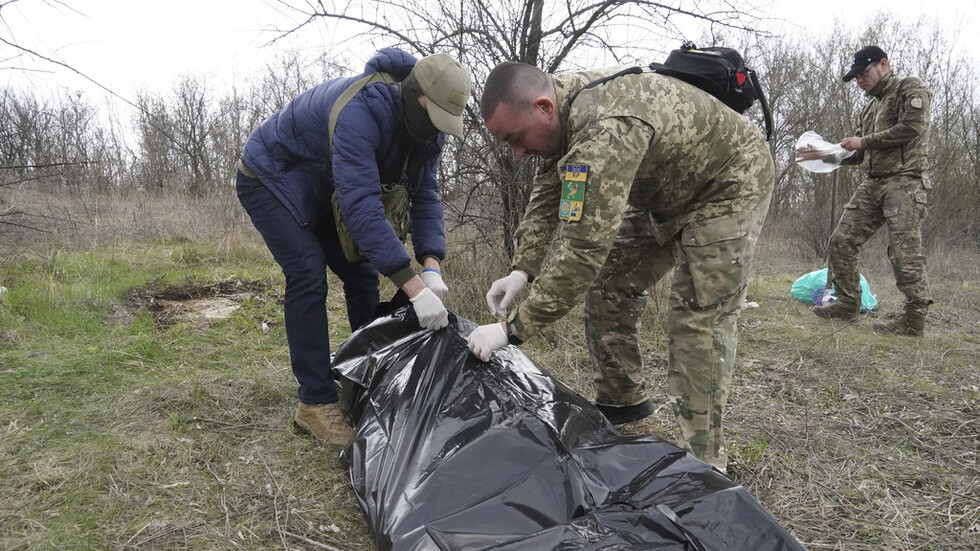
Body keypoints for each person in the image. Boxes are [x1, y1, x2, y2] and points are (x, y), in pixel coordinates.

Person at [465, 61, 774, 473]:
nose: (517, 152)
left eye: (516, 138)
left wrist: (511, 330)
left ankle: (704, 465)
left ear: (543, 107)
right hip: (668, 194)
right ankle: (621, 402)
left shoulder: (604, 128)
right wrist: (522, 271)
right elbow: (548, 194)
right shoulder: (564, 114)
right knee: (610, 280)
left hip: (728, 186)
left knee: (698, 320)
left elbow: (583, 251)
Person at [236, 48, 470, 445]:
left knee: (360, 273)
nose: (439, 129)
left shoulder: (430, 133)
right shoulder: (362, 111)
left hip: (325, 186)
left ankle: (369, 371)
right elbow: (362, 207)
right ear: (419, 98)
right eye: (436, 118)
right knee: (307, 269)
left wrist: (431, 266)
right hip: (272, 177)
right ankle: (314, 402)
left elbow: (425, 195)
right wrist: (414, 289)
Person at [797, 46, 933, 336]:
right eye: (856, 77)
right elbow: (860, 153)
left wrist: (864, 141)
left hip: (905, 180)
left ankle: (914, 318)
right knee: (841, 240)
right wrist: (828, 155)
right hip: (873, 182)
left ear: (883, 64)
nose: (860, 80)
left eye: (863, 73)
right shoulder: (870, 107)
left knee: (903, 251)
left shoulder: (908, 88)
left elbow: (912, 126)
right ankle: (848, 303)